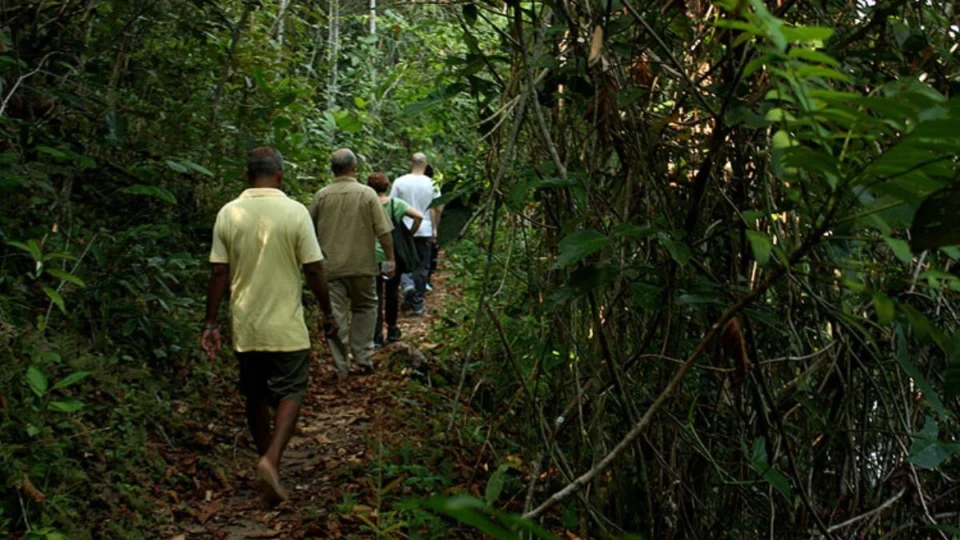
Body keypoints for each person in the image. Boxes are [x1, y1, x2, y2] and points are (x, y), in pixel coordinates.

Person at [201, 147, 338, 504]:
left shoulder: (229, 213)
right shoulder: (295, 212)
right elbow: (313, 268)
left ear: (247, 177)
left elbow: (218, 271)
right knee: (292, 390)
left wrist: (210, 323)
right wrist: (327, 312)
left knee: (254, 393)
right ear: (280, 175)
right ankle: (271, 460)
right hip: (286, 325)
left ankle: (266, 458)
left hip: (246, 324)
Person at [309, 149, 395, 379]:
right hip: (363, 266)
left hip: (331, 267)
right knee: (366, 307)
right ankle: (363, 358)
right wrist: (390, 259)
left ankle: (340, 365)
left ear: (332, 169)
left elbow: (307, 230)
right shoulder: (367, 194)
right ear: (354, 168)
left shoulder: (322, 196)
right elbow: (384, 231)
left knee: (335, 315)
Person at [367, 172, 423, 348]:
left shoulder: (366, 205)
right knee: (391, 292)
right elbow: (418, 216)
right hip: (390, 256)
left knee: (375, 296)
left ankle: (376, 336)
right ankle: (392, 329)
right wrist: (410, 234)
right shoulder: (394, 204)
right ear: (387, 186)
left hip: (370, 256)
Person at [390, 153, 443, 315]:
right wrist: (435, 229)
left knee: (404, 261)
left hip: (405, 230)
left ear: (410, 163)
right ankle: (418, 304)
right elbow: (438, 208)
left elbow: (392, 205)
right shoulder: (431, 184)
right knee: (422, 266)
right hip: (425, 229)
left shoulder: (400, 182)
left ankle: (407, 285)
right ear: (426, 165)